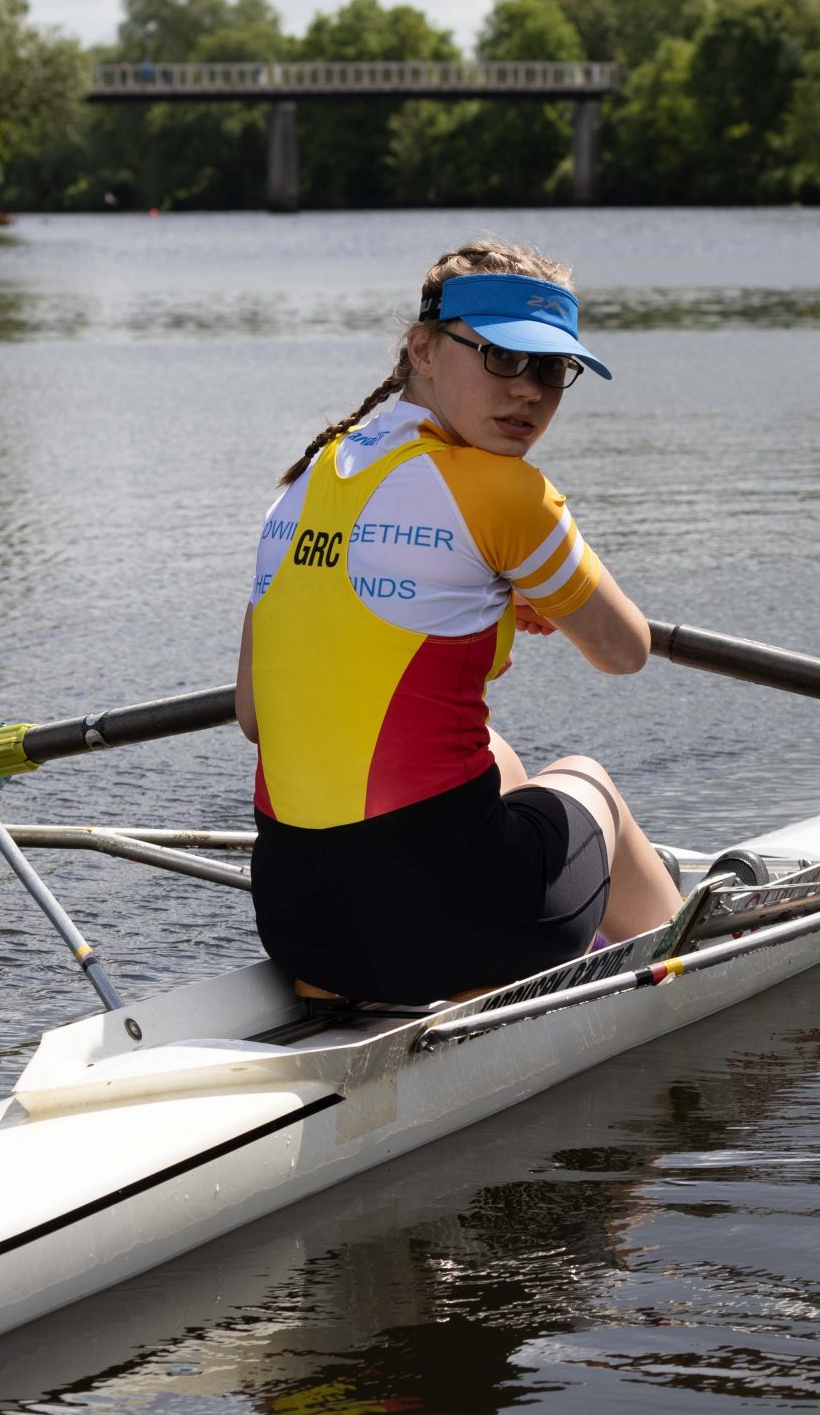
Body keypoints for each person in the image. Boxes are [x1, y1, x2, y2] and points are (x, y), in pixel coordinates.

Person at [236, 240, 682, 1005]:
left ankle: (577, 926)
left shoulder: (305, 480)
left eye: (552, 369)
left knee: (498, 759)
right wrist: (522, 588)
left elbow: (252, 715)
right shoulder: (507, 493)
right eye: (503, 358)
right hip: (457, 931)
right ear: (423, 349)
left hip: (299, 926)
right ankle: (690, 967)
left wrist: (495, 594)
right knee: (589, 782)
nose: (531, 392)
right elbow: (624, 648)